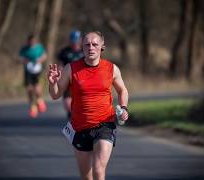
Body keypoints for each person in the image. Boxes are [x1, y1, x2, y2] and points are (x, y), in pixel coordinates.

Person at [47, 31, 129, 180]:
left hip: (105, 124)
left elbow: (122, 90)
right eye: (87, 44)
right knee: (86, 176)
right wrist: (52, 84)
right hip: (80, 128)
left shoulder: (111, 69)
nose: (91, 47)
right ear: (81, 47)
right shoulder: (71, 69)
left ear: (102, 47)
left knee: (98, 170)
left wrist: (123, 108)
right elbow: (55, 95)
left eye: (95, 44)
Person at [19, 34, 47, 118]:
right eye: (30, 41)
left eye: (33, 41)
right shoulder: (24, 49)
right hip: (28, 71)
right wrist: (25, 60)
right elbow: (20, 58)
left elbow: (44, 56)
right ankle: (33, 108)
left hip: (37, 70)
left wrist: (40, 60)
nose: (32, 43)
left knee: (37, 88)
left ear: (35, 41)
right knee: (29, 89)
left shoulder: (39, 47)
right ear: (28, 41)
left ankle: (40, 100)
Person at [57, 30, 84, 118]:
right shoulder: (64, 52)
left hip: (82, 81)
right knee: (68, 103)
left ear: (80, 40)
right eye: (73, 40)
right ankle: (73, 116)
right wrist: (59, 74)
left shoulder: (85, 51)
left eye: (77, 40)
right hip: (68, 79)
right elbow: (60, 65)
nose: (75, 42)